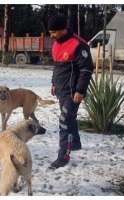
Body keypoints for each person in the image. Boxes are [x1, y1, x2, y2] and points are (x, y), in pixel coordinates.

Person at [47, 14, 94, 169]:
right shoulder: (56, 44)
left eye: (54, 32)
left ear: (63, 29)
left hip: (74, 92)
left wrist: (80, 90)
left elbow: (86, 69)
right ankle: (74, 144)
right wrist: (53, 83)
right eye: (50, 32)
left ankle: (63, 156)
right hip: (61, 89)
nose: (51, 35)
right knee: (69, 118)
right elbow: (57, 66)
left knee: (64, 122)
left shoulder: (79, 45)